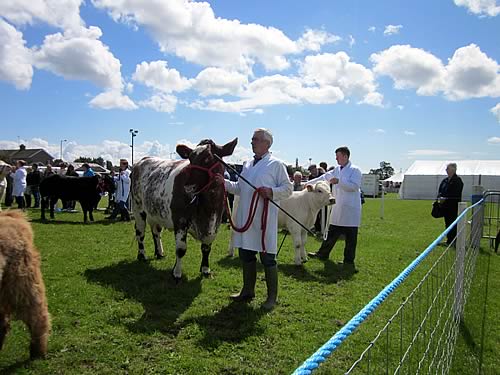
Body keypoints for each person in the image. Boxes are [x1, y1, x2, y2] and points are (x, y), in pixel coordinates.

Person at [224, 128, 292, 310]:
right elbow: (239, 188)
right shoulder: (247, 164)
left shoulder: (276, 164)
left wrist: (271, 192)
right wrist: (222, 183)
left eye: (255, 139)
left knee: (268, 258)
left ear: (267, 143)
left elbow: (288, 189)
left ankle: (271, 297)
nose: (252, 142)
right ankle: (248, 290)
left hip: (264, 220)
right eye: (252, 139)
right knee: (245, 254)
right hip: (246, 217)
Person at [308, 146, 362, 273]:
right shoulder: (336, 170)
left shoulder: (355, 170)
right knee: (331, 232)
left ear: (345, 156)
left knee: (351, 238)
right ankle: (322, 254)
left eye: (338, 156)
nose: (336, 159)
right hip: (338, 207)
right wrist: (309, 183)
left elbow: (354, 186)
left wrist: (339, 181)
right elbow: (323, 178)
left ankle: (349, 261)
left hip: (350, 209)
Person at [437, 163, 464, 246]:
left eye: (448, 168)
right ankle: (449, 240)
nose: (446, 170)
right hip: (445, 206)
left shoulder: (458, 180)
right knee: (447, 223)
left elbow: (456, 193)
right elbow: (440, 190)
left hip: (454, 206)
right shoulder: (445, 180)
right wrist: (440, 197)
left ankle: (453, 241)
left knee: (453, 223)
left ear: (453, 169)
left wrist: (446, 198)